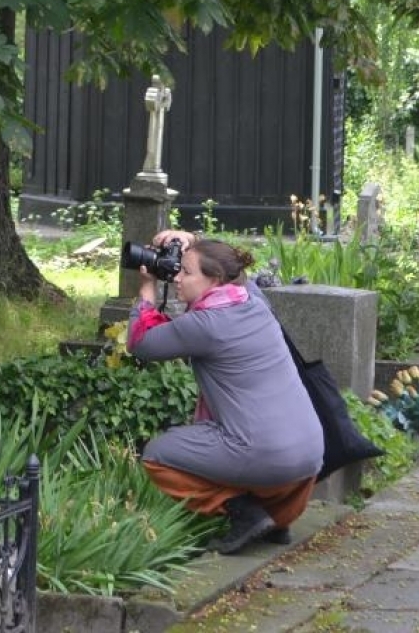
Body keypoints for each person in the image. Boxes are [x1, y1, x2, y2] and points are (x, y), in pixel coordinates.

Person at [127, 229, 324, 554]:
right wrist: (190, 239)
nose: (176, 277)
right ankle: (276, 517)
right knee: (272, 449)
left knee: (157, 456)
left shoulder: (204, 324)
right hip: (311, 455)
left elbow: (141, 343)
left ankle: (244, 513)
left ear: (214, 280)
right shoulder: (254, 301)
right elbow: (235, 270)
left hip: (264, 455)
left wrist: (147, 287)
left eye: (186, 272)